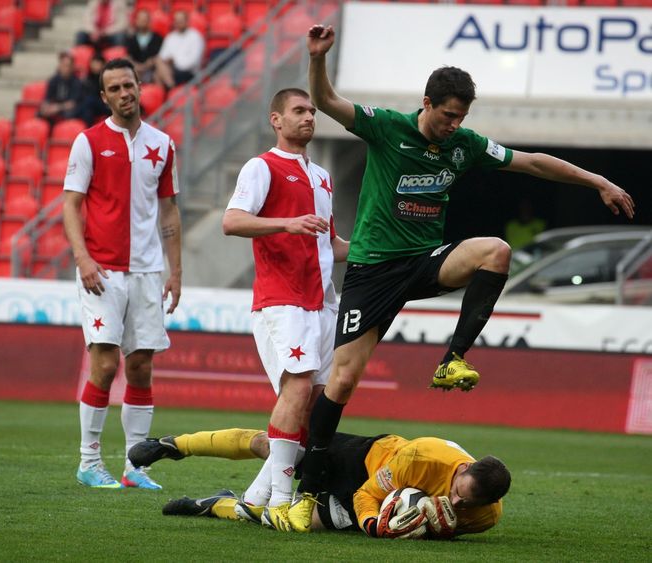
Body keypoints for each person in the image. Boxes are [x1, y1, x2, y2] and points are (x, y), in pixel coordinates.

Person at [286, 24, 636, 532]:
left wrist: (597, 180)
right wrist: (317, 58)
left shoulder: (465, 145)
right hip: (374, 271)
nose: (455, 125)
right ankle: (310, 480)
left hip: (426, 260)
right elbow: (327, 100)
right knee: (342, 380)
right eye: (449, 115)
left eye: (462, 118)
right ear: (426, 104)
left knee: (495, 250)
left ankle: (453, 358)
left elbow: (532, 162)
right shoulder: (386, 127)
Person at [220, 87, 349, 530]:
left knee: (316, 408)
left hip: (323, 303)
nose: (309, 117)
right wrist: (286, 223)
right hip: (282, 300)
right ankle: (280, 499)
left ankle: (255, 498)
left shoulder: (323, 176)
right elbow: (232, 221)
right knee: (295, 391)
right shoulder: (262, 166)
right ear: (276, 119)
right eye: (299, 111)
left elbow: (330, 244)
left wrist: (380, 251)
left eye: (312, 111)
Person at [62, 58, 182, 490]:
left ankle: (136, 467)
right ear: (104, 96)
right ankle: (88, 461)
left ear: (139, 86)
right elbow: (71, 205)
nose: (124, 93)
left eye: (128, 85)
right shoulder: (88, 142)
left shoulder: (163, 144)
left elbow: (169, 210)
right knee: (106, 363)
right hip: (101, 270)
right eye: (114, 88)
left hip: (148, 272)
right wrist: (83, 259)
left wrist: (176, 271)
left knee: (141, 368)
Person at [128, 428, 510, 539]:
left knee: (277, 521)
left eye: (467, 505)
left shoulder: (486, 516)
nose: (458, 505)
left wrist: (423, 527)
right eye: (457, 495)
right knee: (274, 445)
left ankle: (214, 504)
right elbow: (368, 495)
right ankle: (175, 445)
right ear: (462, 471)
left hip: (365, 496)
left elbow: (434, 525)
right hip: (362, 459)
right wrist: (375, 525)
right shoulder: (422, 457)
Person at [155, 10, 204, 90]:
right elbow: (162, 56)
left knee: (158, 74)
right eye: (176, 21)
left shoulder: (195, 36)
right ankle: (170, 87)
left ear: (187, 21)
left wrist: (175, 61)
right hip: (171, 70)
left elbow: (193, 62)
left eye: (181, 20)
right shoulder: (170, 37)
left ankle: (170, 90)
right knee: (158, 63)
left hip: (188, 72)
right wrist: (169, 60)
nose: (178, 23)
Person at [39, 52, 84, 128]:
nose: (66, 68)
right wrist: (46, 107)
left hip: (68, 111)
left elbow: (72, 104)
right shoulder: (53, 80)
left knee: (68, 114)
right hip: (55, 109)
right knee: (40, 114)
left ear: (72, 67)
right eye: (63, 65)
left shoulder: (77, 82)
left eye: (68, 66)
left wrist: (57, 107)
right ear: (59, 66)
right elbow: (47, 98)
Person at [125, 9, 163, 85]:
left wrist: (145, 66)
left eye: (145, 20)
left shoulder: (158, 38)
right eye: (140, 19)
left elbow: (157, 56)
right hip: (135, 69)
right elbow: (128, 57)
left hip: (152, 70)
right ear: (136, 21)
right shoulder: (131, 38)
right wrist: (138, 67)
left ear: (149, 21)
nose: (142, 22)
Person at [77, 53, 111, 126]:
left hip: (104, 105)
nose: (95, 66)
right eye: (94, 63)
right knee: (87, 109)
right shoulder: (87, 78)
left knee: (89, 101)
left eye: (98, 64)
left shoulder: (106, 78)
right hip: (90, 107)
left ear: (103, 65)